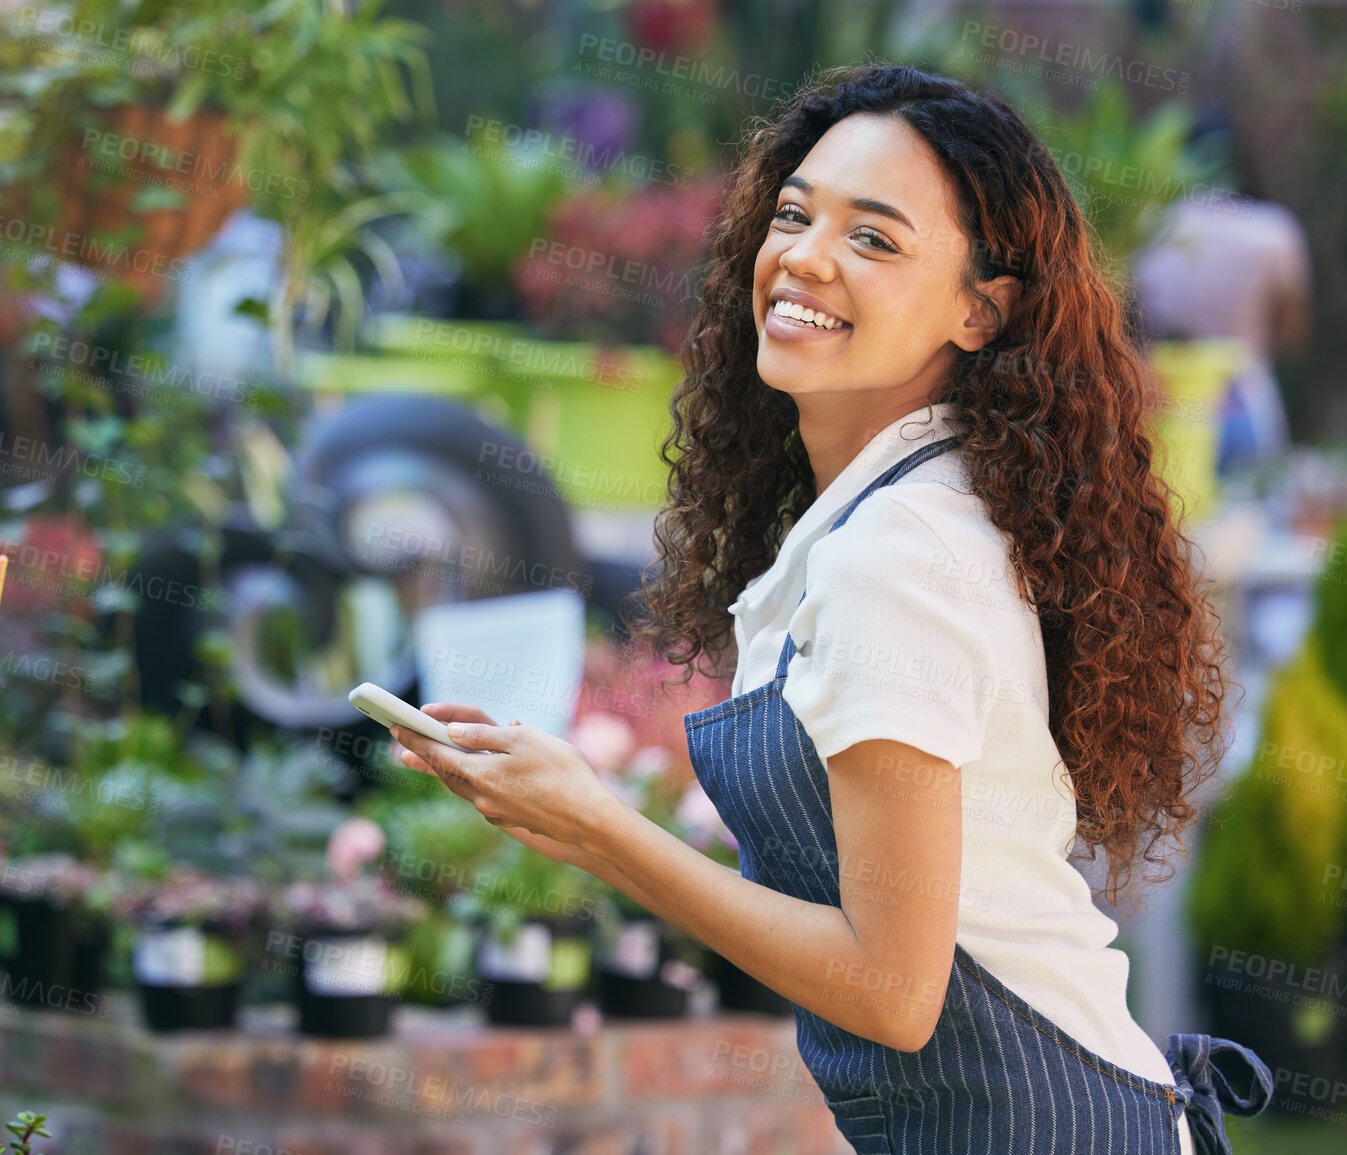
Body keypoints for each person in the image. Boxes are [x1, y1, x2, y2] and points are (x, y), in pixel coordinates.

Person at [387, 64, 1273, 1154]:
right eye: (796, 214)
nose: (802, 256)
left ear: (981, 309)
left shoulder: (900, 554)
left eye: (875, 239)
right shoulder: (900, 514)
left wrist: (600, 829)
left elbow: (894, 990)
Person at [1130, 118, 1311, 477]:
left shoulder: (1148, 226)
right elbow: (1292, 335)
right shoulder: (1274, 230)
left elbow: (1131, 320)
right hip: (1247, 401)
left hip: (1165, 402)